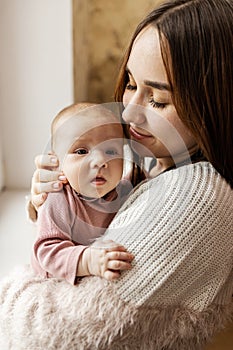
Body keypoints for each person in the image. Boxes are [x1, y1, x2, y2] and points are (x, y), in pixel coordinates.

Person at [2, 0, 232, 349]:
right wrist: (59, 208)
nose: (128, 113)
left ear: (215, 102)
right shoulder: (159, 164)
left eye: (157, 100)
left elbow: (44, 338)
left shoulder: (195, 193)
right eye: (130, 82)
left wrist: (12, 293)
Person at [31, 102, 134, 284]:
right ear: (56, 162)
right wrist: (88, 261)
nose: (100, 161)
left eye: (111, 150)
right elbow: (47, 251)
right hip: (54, 277)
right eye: (81, 151)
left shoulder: (126, 190)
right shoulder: (58, 198)